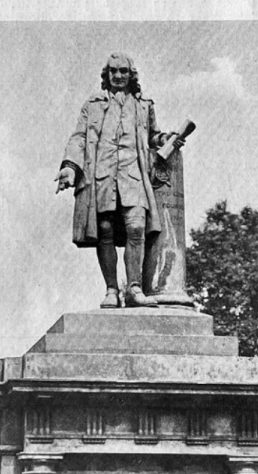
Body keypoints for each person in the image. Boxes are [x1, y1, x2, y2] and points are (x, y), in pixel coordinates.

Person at [55, 53, 181, 308]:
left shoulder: (144, 105)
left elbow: (153, 137)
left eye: (123, 71)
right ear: (107, 75)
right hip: (102, 176)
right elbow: (79, 137)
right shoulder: (93, 105)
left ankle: (134, 288)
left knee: (136, 227)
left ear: (131, 75)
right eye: (113, 71)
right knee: (105, 231)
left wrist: (167, 139)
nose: (118, 76)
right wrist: (70, 167)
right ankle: (112, 289)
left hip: (133, 175)